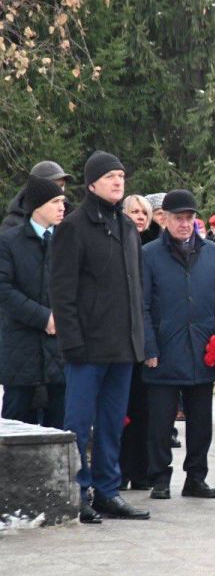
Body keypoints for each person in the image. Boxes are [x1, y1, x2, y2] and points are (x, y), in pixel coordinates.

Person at [50, 150, 149, 523]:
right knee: (78, 422)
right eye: (110, 176)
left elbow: (136, 289)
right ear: (92, 183)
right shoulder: (73, 227)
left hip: (122, 345)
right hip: (87, 347)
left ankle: (108, 491)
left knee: (111, 422)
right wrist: (72, 340)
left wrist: (139, 338)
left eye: (121, 176)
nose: (118, 182)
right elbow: (63, 290)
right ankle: (78, 492)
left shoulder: (126, 227)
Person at [141, 190, 215, 500]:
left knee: (201, 423)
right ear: (164, 219)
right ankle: (159, 476)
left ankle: (196, 477)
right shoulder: (149, 254)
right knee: (159, 421)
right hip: (165, 350)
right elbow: (141, 306)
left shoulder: (210, 253)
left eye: (189, 218)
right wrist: (149, 348)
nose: (184, 223)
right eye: (178, 218)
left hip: (202, 349)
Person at [0, 177, 67, 428]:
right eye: (56, 201)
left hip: (61, 353)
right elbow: (4, 290)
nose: (62, 207)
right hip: (21, 351)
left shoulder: (68, 240)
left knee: (61, 432)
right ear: (38, 205)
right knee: (16, 429)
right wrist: (44, 317)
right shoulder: (9, 241)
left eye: (63, 201)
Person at [117, 194, 155, 490]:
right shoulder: (116, 243)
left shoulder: (156, 247)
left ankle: (141, 469)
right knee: (120, 410)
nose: (140, 217)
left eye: (144, 212)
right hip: (120, 339)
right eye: (134, 211)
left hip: (149, 340)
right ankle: (118, 469)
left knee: (144, 410)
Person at [1, 161, 73, 233]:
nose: (59, 191)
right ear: (36, 188)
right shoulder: (12, 225)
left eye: (61, 185)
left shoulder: (70, 217)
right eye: (53, 186)